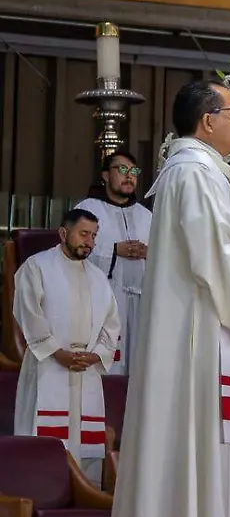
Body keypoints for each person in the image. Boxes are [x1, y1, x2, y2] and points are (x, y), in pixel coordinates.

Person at [107, 80, 230, 517]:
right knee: (197, 428)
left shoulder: (193, 171)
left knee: (197, 431)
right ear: (207, 120)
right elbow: (213, 255)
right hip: (198, 329)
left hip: (199, 323)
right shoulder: (196, 173)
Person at [12, 208, 121, 482]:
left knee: (86, 448)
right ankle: (40, 496)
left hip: (87, 370)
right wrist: (56, 351)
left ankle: (85, 492)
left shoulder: (98, 277)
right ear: (63, 233)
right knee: (46, 441)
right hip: (48, 365)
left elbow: (112, 323)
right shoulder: (37, 267)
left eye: (94, 237)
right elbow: (28, 313)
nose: (90, 242)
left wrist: (96, 356)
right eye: (84, 234)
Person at [74, 150, 150, 374]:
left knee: (139, 370)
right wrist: (116, 251)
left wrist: (149, 252)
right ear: (106, 175)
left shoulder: (148, 216)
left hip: (141, 304)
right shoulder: (87, 209)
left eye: (134, 171)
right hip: (104, 302)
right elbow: (75, 250)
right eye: (122, 170)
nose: (129, 176)